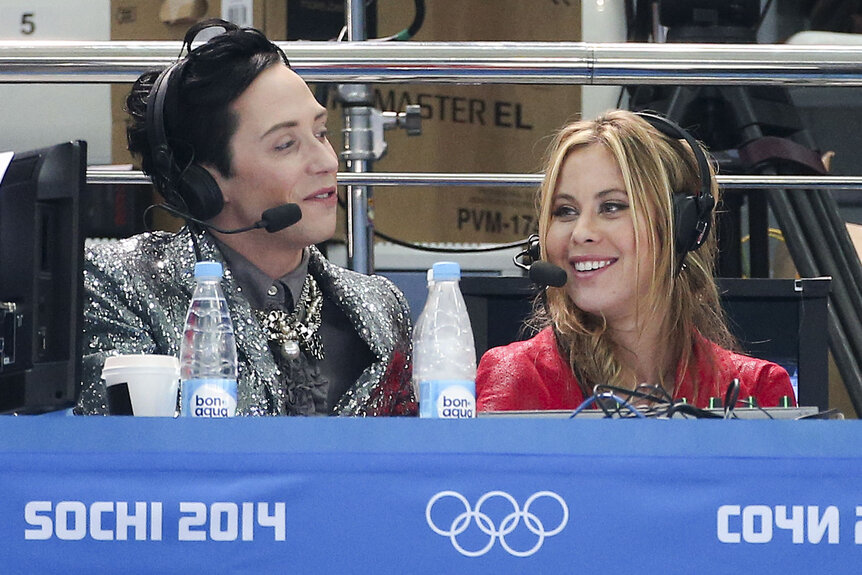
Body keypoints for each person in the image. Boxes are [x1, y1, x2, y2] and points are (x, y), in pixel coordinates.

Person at [78, 19, 415, 416]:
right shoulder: (123, 285)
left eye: (321, 133)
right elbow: (126, 458)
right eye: (286, 144)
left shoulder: (380, 306)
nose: (326, 162)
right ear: (203, 181)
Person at [476, 110, 795, 411]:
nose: (581, 232)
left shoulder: (756, 389)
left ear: (680, 226)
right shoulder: (519, 377)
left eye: (611, 206)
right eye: (565, 211)